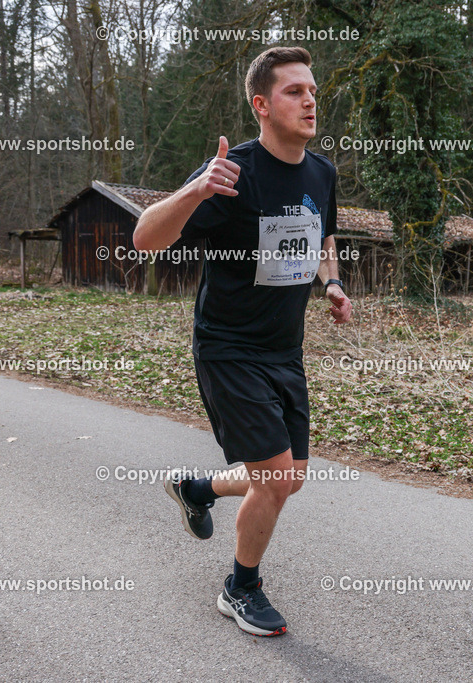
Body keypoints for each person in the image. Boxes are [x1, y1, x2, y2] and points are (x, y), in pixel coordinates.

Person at [133, 45, 352, 637]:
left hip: (285, 350)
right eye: (293, 91)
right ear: (261, 104)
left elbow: (323, 234)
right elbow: (145, 239)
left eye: (312, 90)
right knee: (277, 477)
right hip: (228, 347)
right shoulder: (231, 174)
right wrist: (195, 191)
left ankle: (196, 487)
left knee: (290, 475)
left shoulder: (322, 171)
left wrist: (331, 282)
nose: (309, 100)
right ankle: (241, 587)